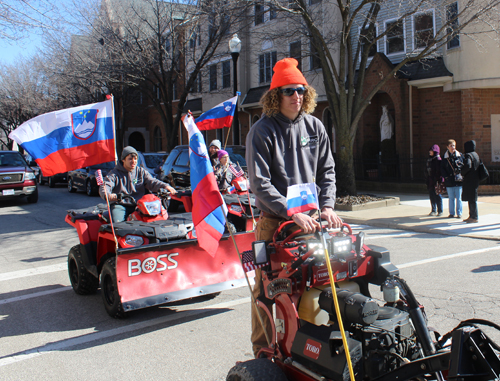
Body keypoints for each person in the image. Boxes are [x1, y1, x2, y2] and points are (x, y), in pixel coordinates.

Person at [246, 57, 343, 357]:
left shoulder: (315, 127)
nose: (296, 96)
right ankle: (262, 353)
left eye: (301, 90)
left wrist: (327, 206)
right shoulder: (261, 131)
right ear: (276, 96)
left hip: (311, 223)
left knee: (318, 284)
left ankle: (306, 348)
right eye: (289, 91)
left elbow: (327, 170)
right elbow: (260, 184)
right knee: (266, 292)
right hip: (274, 225)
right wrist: (291, 212)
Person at [99, 146, 176, 222]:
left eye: (135, 159)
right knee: (119, 225)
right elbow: (106, 186)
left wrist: (166, 186)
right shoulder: (114, 174)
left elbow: (152, 181)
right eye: (130, 159)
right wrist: (108, 195)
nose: (133, 161)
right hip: (120, 205)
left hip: (139, 205)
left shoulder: (141, 172)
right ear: (123, 160)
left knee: (155, 219)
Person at [441, 139, 463, 218]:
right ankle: (451, 213)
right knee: (451, 198)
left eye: (454, 145)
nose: (453, 147)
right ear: (447, 147)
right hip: (449, 181)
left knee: (459, 198)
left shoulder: (460, 155)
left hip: (458, 180)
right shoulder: (444, 157)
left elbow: (463, 166)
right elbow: (442, 169)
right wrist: (446, 177)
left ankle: (459, 213)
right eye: (451, 146)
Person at [461, 140, 481, 223]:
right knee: (472, 198)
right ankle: (472, 215)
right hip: (475, 179)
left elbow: (468, 166)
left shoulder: (468, 155)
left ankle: (474, 216)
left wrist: (462, 172)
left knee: (471, 199)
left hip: (469, 180)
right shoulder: (476, 154)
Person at [425, 144, 443, 216]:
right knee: (431, 195)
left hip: (436, 180)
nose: (430, 152)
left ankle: (440, 210)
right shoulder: (430, 159)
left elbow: (439, 171)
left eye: (431, 150)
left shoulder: (438, 160)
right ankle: (433, 210)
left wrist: (438, 179)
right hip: (430, 180)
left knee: (438, 195)